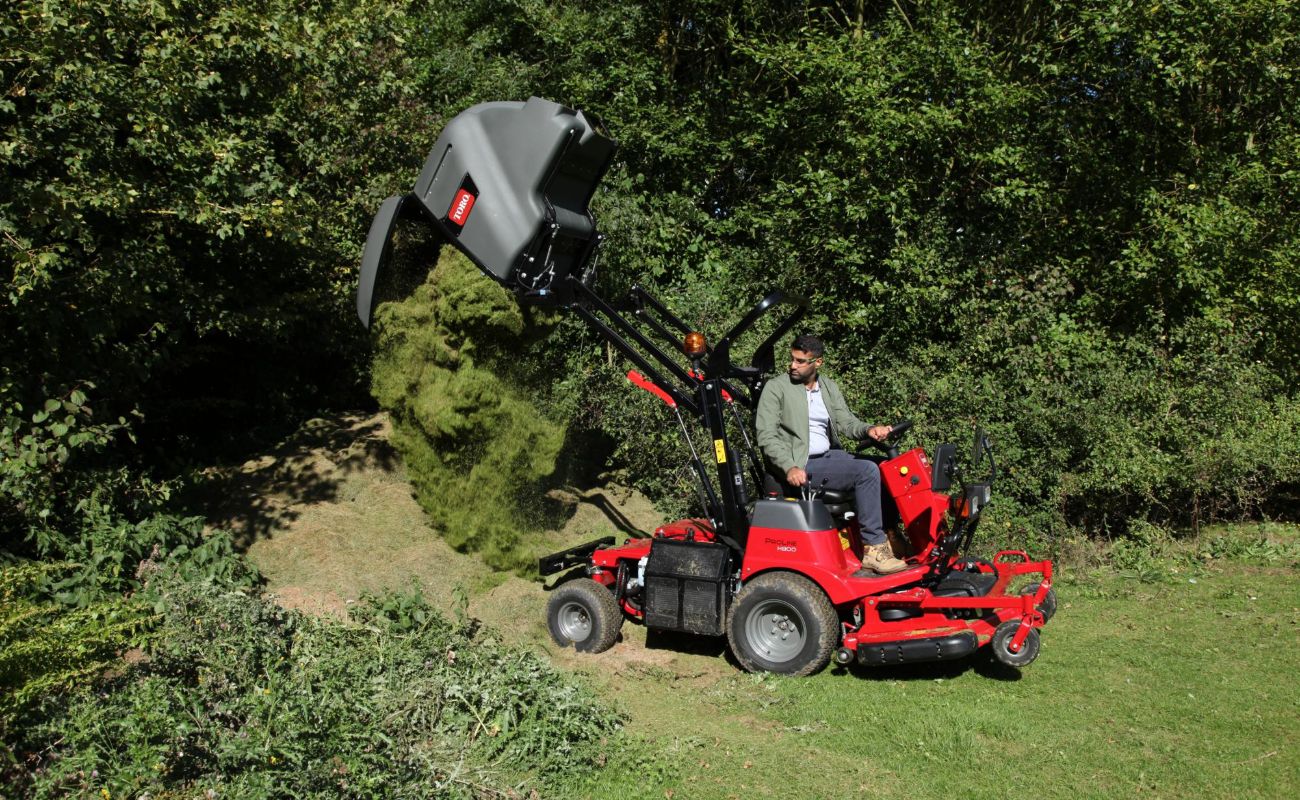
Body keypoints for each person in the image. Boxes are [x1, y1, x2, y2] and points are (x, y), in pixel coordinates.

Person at [754, 334, 908, 574]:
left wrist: (870, 429)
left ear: (818, 362)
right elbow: (766, 435)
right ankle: (873, 549)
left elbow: (846, 422)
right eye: (792, 359)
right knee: (866, 471)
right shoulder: (777, 388)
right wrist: (789, 466)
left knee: (886, 467)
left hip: (828, 458)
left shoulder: (828, 387)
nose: (793, 365)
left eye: (801, 361)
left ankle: (890, 534)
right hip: (802, 462)